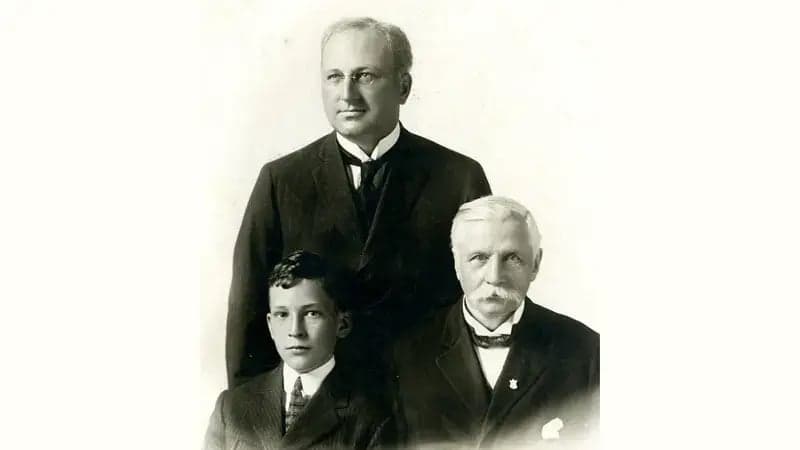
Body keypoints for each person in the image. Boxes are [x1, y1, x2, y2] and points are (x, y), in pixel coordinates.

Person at [226, 16, 491, 386]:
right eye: (334, 77)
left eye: (365, 76)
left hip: (427, 411)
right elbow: (249, 313)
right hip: (319, 417)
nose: (347, 94)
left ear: (403, 86)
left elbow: (486, 308)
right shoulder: (280, 180)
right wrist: (250, 423)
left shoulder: (459, 178)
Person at [393, 196, 600, 449]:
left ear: (535, 264)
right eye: (479, 257)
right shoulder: (404, 354)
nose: (494, 277)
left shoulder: (588, 351)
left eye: (512, 258)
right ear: (456, 264)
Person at [205, 251, 391, 450]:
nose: (295, 331)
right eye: (282, 314)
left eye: (312, 314)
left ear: (342, 324)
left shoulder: (371, 418)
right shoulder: (231, 408)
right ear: (270, 326)